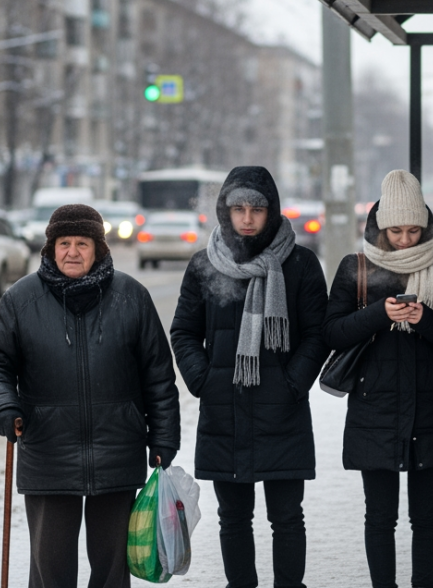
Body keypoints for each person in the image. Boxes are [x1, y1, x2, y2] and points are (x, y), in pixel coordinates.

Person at [0, 204, 180, 588]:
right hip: (47, 454)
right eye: (64, 243)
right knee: (51, 573)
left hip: (117, 452)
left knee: (112, 573)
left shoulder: (131, 297)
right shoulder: (22, 300)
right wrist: (4, 407)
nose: (72, 252)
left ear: (98, 248)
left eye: (82, 243)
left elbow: (158, 376)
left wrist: (164, 437)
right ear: (50, 249)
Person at [169, 166, 329, 588]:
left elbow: (317, 334)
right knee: (233, 517)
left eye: (256, 209)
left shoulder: (299, 263)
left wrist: (293, 382)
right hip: (225, 409)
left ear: (271, 211)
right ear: (224, 211)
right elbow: (184, 330)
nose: (246, 218)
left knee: (287, 516)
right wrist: (204, 380)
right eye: (237, 208)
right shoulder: (207, 263)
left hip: (283, 410)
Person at [324, 170, 433, 588]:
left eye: (413, 230)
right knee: (380, 516)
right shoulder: (357, 268)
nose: (405, 240)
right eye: (396, 231)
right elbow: (331, 332)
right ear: (380, 227)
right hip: (376, 406)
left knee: (428, 516)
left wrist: (425, 318)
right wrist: (378, 314)